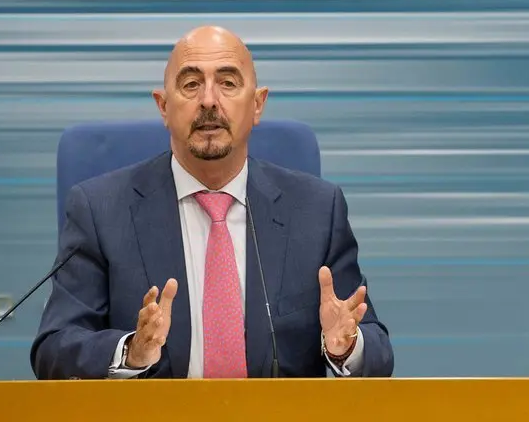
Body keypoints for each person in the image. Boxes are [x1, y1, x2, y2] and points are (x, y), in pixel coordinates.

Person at [32, 26, 393, 379]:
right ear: (163, 106)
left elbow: (376, 352)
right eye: (190, 84)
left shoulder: (316, 211)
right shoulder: (100, 210)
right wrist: (131, 351)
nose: (208, 100)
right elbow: (55, 347)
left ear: (257, 104)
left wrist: (345, 346)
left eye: (228, 83)